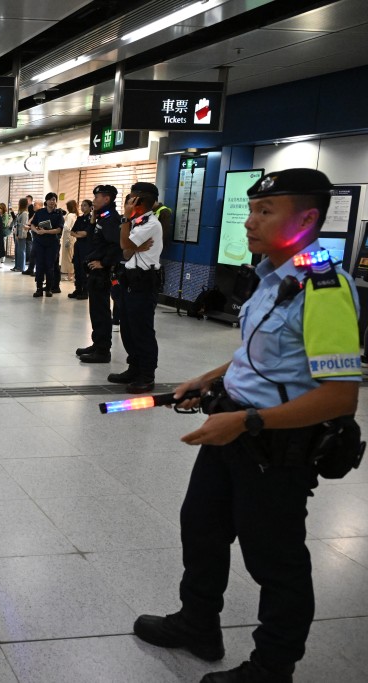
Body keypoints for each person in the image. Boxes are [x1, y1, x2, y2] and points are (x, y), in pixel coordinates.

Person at [133, 168, 361, 683]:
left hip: (275, 447)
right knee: (202, 528)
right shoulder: (270, 276)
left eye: (265, 211)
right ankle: (198, 623)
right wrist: (207, 378)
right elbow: (259, 358)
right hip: (232, 427)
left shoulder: (322, 287)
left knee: (275, 562)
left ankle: (271, 667)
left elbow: (339, 395)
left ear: (307, 218)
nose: (251, 221)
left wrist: (248, 421)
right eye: (253, 210)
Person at [108, 183, 163, 393]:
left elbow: (124, 245)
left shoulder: (149, 224)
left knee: (142, 329)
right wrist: (133, 246)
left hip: (144, 281)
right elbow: (125, 253)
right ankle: (134, 367)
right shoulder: (138, 223)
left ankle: (147, 375)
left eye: (131, 199)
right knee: (128, 328)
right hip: (129, 280)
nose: (128, 202)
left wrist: (125, 219)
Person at [76, 185, 122, 364]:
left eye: (97, 198)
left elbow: (115, 245)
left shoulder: (110, 219)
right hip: (95, 272)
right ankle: (97, 343)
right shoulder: (102, 217)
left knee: (101, 311)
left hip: (102, 272)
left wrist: (104, 263)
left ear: (107, 199)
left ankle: (103, 350)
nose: (94, 201)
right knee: (95, 310)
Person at [28, 192, 65, 298]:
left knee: (50, 266)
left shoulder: (58, 214)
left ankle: (49, 288)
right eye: (50, 199)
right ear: (46, 201)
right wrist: (36, 231)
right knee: (39, 265)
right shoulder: (40, 212)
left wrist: (46, 232)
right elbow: (33, 225)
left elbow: (59, 229)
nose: (52, 201)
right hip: (39, 242)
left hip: (52, 243)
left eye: (54, 199)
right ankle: (39, 288)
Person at [68, 198, 94, 299]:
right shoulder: (79, 219)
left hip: (87, 247)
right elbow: (72, 232)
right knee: (77, 268)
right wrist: (79, 234)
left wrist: (78, 233)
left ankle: (85, 291)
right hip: (78, 246)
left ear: (91, 207)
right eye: (82, 205)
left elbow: (85, 233)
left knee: (84, 269)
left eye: (85, 205)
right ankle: (77, 289)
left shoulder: (92, 220)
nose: (83, 207)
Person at [62, 199, 79, 282]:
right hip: (72, 237)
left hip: (68, 237)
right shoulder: (75, 215)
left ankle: (70, 275)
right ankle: (70, 274)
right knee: (71, 255)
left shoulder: (70, 216)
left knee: (68, 256)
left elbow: (67, 227)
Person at [13, 197, 30, 274]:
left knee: (21, 251)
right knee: (17, 250)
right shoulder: (20, 212)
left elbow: (23, 225)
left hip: (21, 235)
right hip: (17, 234)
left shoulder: (25, 213)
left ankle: (21, 267)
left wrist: (20, 235)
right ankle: (16, 266)